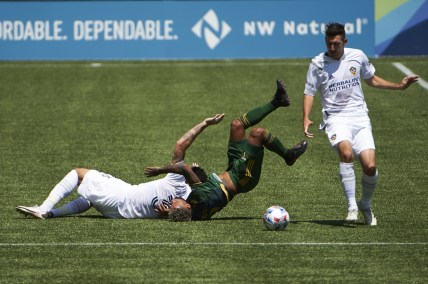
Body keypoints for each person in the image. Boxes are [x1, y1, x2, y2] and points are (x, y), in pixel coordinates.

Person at [302, 22, 419, 226]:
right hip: (336, 118)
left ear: (344, 42)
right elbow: (309, 91)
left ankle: (364, 204)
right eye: (329, 44)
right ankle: (351, 206)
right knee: (346, 153)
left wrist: (399, 86)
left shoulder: (358, 56)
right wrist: (306, 117)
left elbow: (371, 80)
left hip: (359, 117)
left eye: (336, 44)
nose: (332, 48)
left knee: (370, 166)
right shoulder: (317, 63)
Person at [145, 79, 308, 221]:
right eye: (176, 202)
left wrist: (170, 212)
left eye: (172, 204)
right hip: (243, 178)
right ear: (187, 206)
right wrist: (160, 170)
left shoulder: (192, 213)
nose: (173, 200)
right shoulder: (199, 199)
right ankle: (289, 156)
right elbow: (182, 167)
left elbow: (184, 212)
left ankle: (278, 101)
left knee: (236, 125)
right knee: (258, 134)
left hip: (231, 168)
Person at [15, 124, 212, 221]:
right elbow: (187, 215)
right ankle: (51, 214)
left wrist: (204, 123)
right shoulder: (188, 204)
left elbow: (180, 146)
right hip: (119, 213)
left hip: (121, 197)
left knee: (79, 173)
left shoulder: (178, 182)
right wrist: (169, 213)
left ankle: (43, 208)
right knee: (90, 198)